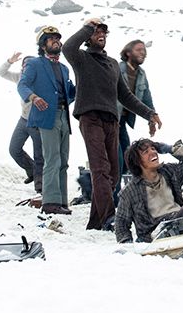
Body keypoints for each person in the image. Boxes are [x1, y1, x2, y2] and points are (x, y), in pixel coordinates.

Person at [63, 18, 162, 230]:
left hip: (111, 121)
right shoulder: (81, 58)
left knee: (114, 174)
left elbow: (125, 95)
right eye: (96, 32)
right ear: (88, 37)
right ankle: (110, 217)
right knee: (101, 169)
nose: (101, 35)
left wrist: (149, 113)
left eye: (103, 32)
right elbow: (68, 47)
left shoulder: (112, 65)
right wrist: (88, 27)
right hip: (90, 118)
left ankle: (96, 222)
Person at [17, 27, 76, 214]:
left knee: (64, 160)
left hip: (64, 116)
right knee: (52, 159)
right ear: (43, 45)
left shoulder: (65, 69)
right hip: (46, 117)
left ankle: (62, 201)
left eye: (58, 39)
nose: (56, 41)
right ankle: (50, 203)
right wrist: (34, 98)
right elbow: (22, 85)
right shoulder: (35, 64)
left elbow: (70, 94)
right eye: (51, 39)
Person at [114, 138, 183, 243]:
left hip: (179, 221)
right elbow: (121, 222)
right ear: (137, 161)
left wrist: (170, 149)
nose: (153, 152)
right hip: (156, 234)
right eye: (146, 152)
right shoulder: (130, 191)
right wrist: (127, 243)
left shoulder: (169, 172)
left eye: (153, 148)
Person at [0, 51, 44, 191]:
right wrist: (10, 61)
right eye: (24, 66)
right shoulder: (20, 77)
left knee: (39, 155)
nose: (26, 68)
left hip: (37, 122)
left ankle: (40, 186)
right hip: (23, 120)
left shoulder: (40, 80)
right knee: (14, 149)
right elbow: (1, 73)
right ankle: (32, 171)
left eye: (29, 66)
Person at [116, 40, 156, 189]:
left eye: (144, 50)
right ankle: (114, 198)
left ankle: (125, 193)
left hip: (124, 120)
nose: (143, 52)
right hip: (112, 118)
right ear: (128, 53)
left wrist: (151, 118)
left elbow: (146, 98)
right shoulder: (117, 69)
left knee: (128, 156)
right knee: (118, 158)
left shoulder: (141, 74)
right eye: (138, 50)